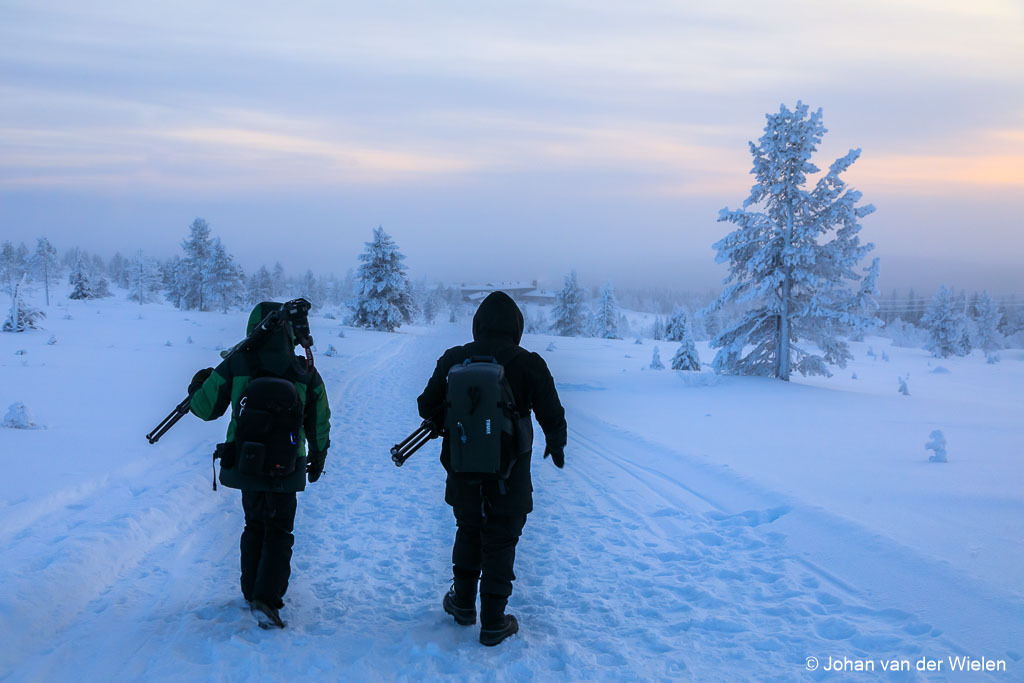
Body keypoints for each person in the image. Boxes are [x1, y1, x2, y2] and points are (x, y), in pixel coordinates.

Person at [417, 291, 567, 646]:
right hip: (510, 475)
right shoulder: (530, 363)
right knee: (500, 539)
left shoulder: (455, 358)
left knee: (468, 527)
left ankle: (464, 605)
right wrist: (556, 445)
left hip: (463, 467)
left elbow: (426, 405)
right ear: (516, 327)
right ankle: (494, 622)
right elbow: (552, 413)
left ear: (478, 324)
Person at [188, 301, 331, 628]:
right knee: (279, 531)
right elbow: (319, 418)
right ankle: (267, 599)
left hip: (247, 463)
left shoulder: (239, 362)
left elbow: (205, 407)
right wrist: (318, 456)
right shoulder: (303, 370)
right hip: (288, 462)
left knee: (254, 524)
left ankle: (252, 591)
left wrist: (198, 384)